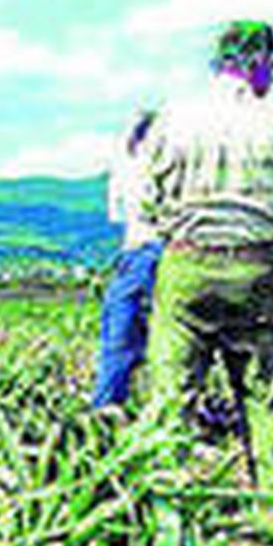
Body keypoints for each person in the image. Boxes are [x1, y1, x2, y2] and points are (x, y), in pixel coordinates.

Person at [137, 20, 273, 516]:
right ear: (256, 66)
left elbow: (148, 197)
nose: (272, 79)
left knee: (172, 388)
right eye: (270, 69)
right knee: (266, 389)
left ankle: (165, 500)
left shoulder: (175, 118)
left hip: (187, 263)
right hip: (257, 268)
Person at [91, 108, 164, 415]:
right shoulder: (144, 164)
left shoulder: (129, 166)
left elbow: (118, 214)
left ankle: (108, 407)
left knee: (120, 333)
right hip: (158, 252)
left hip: (144, 251)